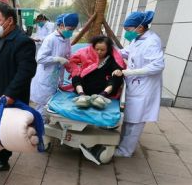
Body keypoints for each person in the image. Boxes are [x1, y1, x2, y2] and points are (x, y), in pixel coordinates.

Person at [0, 5, 37, 172]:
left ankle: (1, 161)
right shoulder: (2, 37)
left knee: (4, 129)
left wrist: (11, 93)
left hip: (7, 94)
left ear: (10, 20)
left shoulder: (22, 41)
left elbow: (26, 71)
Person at [114, 11, 165, 157]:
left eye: (129, 31)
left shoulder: (152, 42)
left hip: (145, 88)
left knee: (135, 121)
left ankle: (125, 151)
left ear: (140, 28)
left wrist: (129, 72)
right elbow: (127, 52)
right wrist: (109, 51)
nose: (127, 34)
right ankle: (122, 145)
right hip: (136, 85)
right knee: (129, 118)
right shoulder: (138, 39)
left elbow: (157, 66)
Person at [30, 13, 79, 115]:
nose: (71, 32)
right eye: (70, 29)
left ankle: (42, 125)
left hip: (56, 77)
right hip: (46, 77)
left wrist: (73, 64)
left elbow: (68, 56)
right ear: (61, 26)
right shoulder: (50, 39)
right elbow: (40, 59)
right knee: (42, 107)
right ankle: (38, 126)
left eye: (73, 29)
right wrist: (57, 59)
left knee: (49, 107)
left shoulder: (66, 39)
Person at [66, 35, 126, 109]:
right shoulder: (86, 55)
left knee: (118, 76)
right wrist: (77, 68)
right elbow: (72, 62)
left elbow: (117, 68)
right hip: (85, 86)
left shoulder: (111, 59)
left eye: (102, 50)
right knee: (75, 74)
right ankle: (82, 96)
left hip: (103, 88)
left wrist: (117, 71)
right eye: (96, 49)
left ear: (108, 50)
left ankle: (101, 97)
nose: (99, 52)